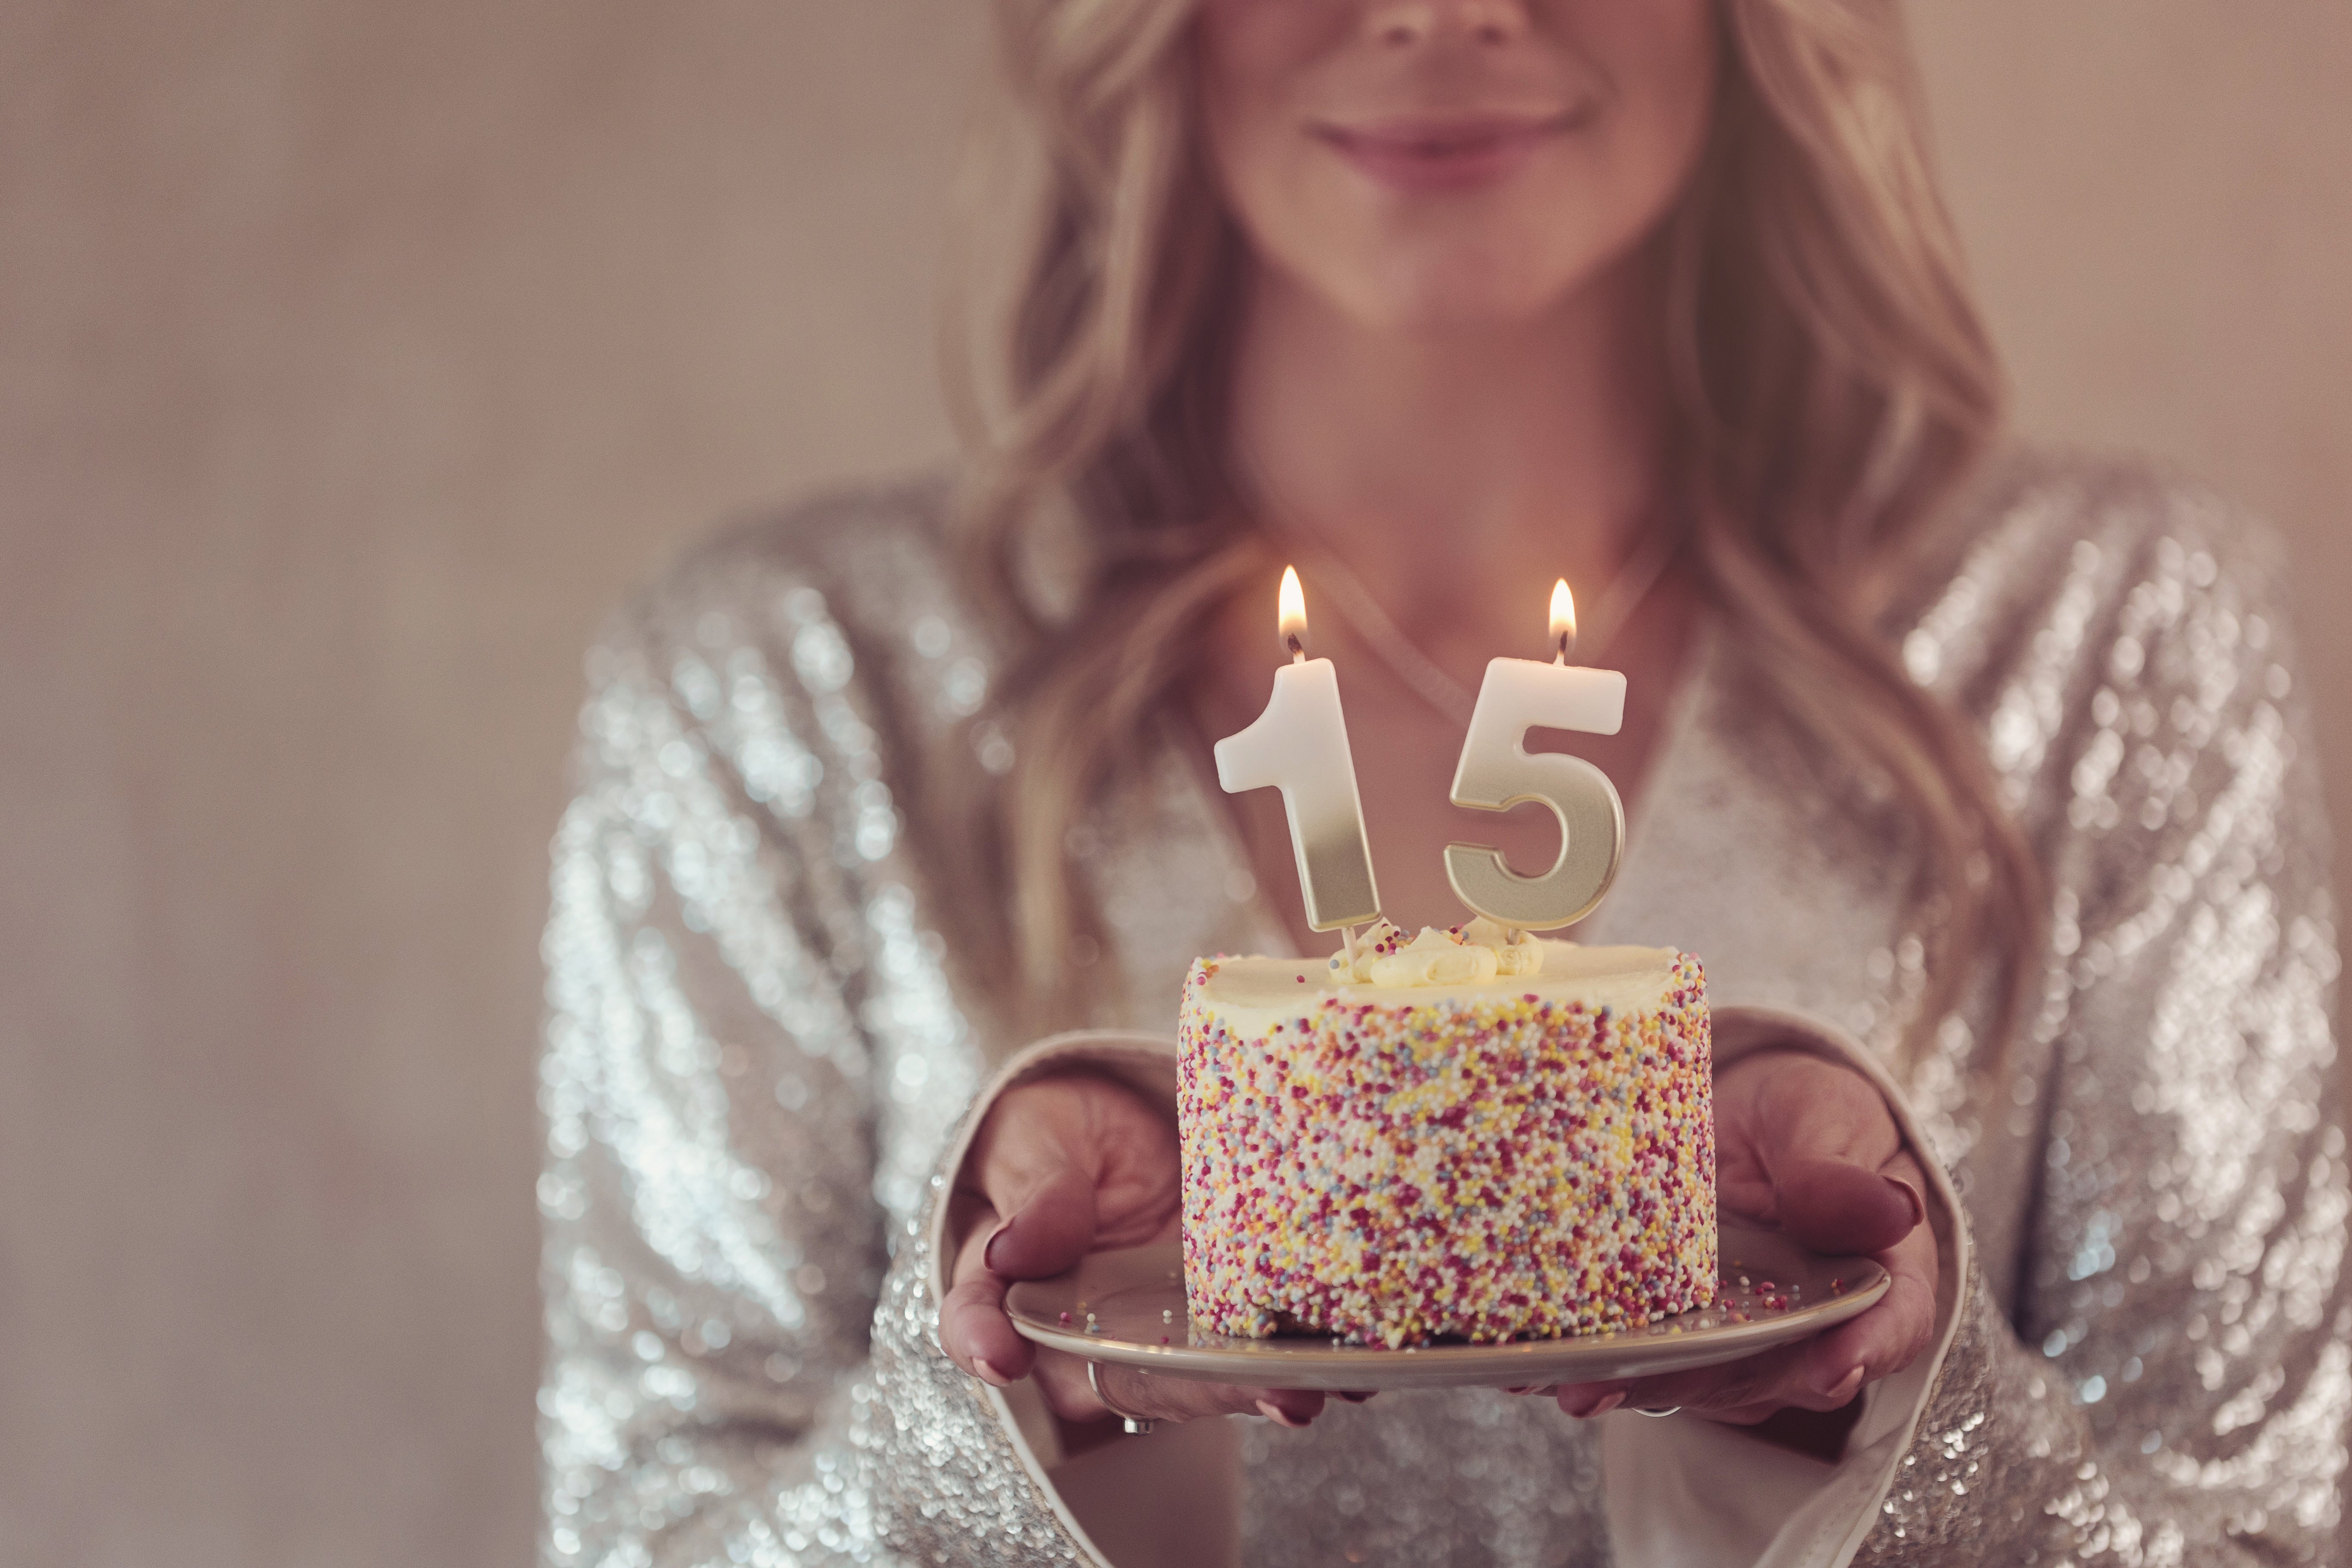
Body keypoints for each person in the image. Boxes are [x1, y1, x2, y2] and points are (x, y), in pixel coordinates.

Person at [534, 1, 2348, 1563]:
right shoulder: (787, 683)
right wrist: (1009, 1402)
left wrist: (1869, 1410)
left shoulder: (2114, 632)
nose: (1441, 4)